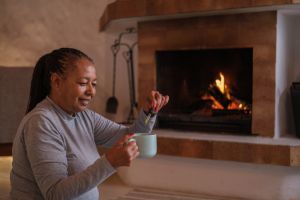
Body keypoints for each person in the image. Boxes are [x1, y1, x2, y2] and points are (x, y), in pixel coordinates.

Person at [10, 48, 169, 200]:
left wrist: (149, 112)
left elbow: (131, 134)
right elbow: (55, 193)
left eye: (94, 84)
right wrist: (109, 162)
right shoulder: (41, 123)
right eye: (83, 83)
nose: (91, 92)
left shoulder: (85, 117)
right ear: (57, 81)